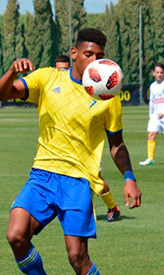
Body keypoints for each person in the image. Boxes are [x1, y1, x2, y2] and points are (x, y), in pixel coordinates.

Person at [0, 28, 142, 275]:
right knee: (15, 235)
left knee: (77, 257)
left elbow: (116, 144)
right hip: (43, 175)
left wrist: (129, 177)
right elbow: (1, 94)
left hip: (77, 183)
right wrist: (11, 72)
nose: (95, 61)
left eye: (100, 56)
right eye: (89, 54)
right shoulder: (48, 79)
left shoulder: (107, 95)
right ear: (74, 53)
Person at [52, 55, 122, 221]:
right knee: (88, 179)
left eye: (64, 68)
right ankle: (109, 208)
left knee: (92, 179)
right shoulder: (53, 86)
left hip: (88, 145)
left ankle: (91, 217)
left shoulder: (87, 85)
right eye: (58, 69)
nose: (61, 71)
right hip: (65, 144)